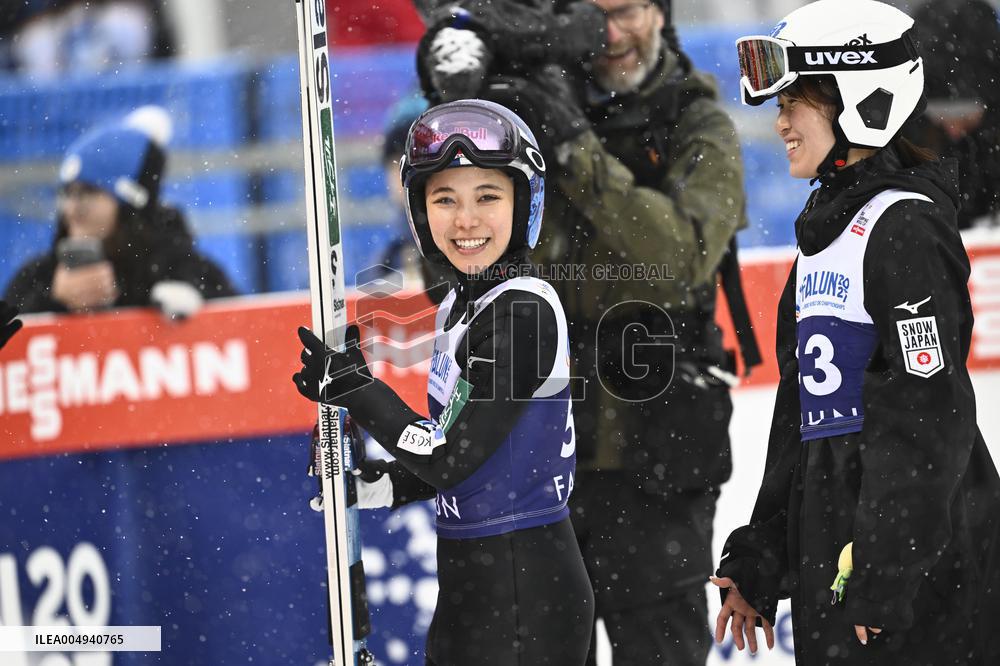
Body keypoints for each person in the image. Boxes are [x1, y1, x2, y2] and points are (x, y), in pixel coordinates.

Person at [419, 2, 759, 664]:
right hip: (541, 449)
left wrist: (576, 149)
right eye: (590, 15)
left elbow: (676, 263)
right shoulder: (522, 118)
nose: (611, 34)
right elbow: (459, 265)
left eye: (627, 10)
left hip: (656, 448)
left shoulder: (695, 119)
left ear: (661, 15)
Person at [713, 1, 1000, 664]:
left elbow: (930, 420)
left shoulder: (903, 229)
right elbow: (804, 419)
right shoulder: (824, 233)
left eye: (797, 102)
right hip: (839, 548)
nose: (780, 122)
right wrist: (763, 551)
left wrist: (887, 572)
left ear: (860, 99)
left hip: (919, 565)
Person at [292, 99, 595, 665]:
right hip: (471, 591)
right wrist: (381, 486)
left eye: (488, 197)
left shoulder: (521, 312)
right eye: (444, 199)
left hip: (526, 598)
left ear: (523, 204)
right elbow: (467, 454)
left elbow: (452, 458)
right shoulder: (460, 304)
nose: (466, 221)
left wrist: (357, 388)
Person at [4, 105, 235, 318]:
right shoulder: (39, 276)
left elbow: (246, 331)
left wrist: (198, 312)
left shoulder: (181, 269)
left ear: (128, 205)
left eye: (88, 193)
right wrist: (51, 302)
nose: (72, 208)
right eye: (67, 193)